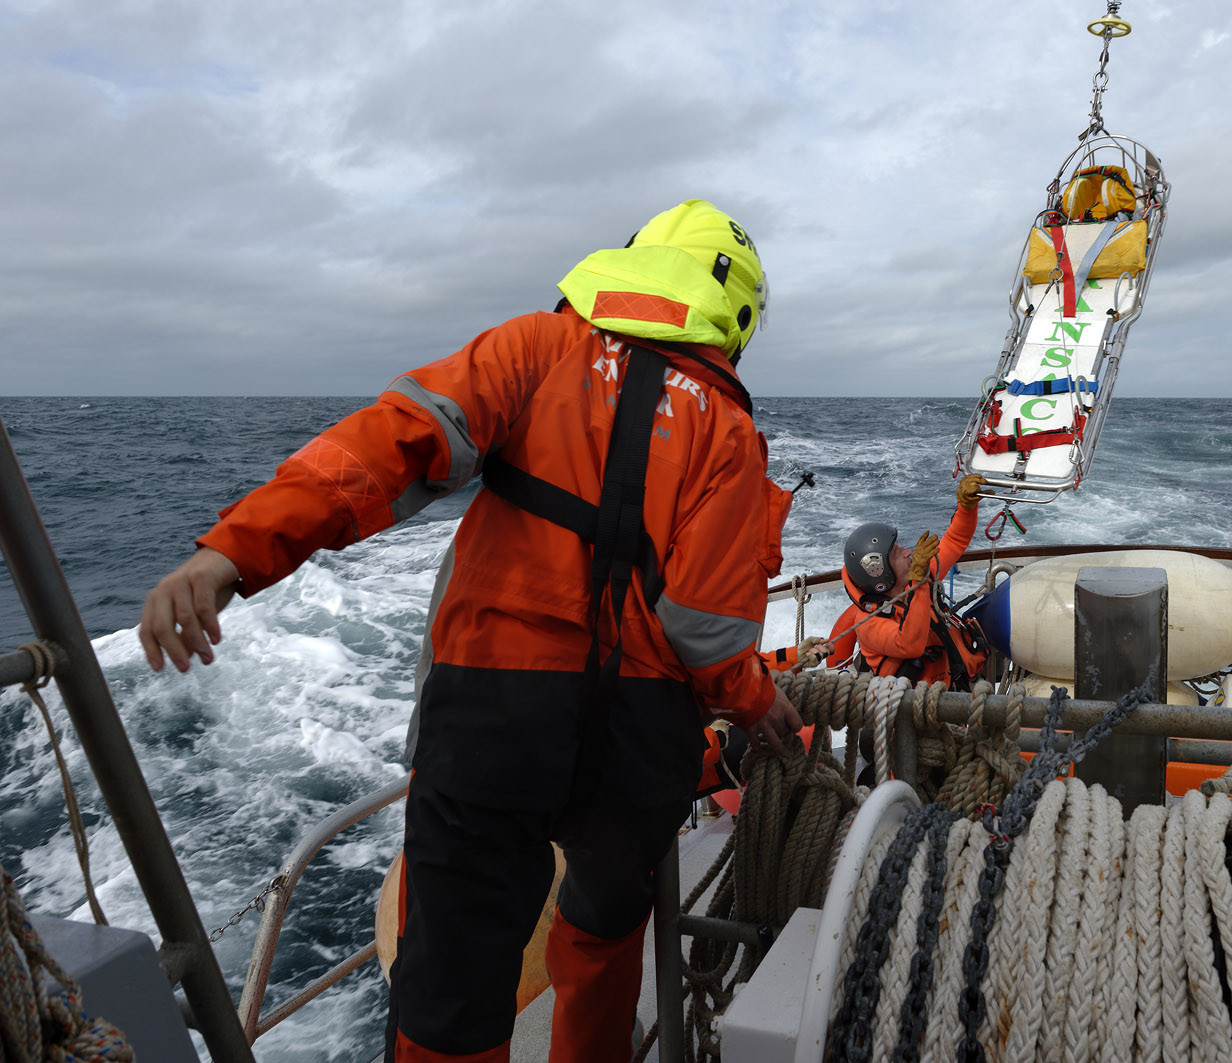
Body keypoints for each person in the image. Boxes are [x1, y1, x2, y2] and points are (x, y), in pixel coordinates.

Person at [138, 199, 802, 1063]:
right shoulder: (728, 430)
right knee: (602, 933)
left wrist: (236, 550)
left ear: (632, 264)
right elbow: (708, 633)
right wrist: (758, 705)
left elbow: (392, 445)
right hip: (638, 743)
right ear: (738, 315)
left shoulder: (536, 348)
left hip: (496, 713)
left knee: (451, 994)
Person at [836, 473, 989, 688]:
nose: (908, 553)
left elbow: (955, 540)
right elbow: (909, 644)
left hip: (953, 692)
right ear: (879, 573)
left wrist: (966, 507)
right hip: (911, 712)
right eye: (896, 554)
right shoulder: (869, 624)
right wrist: (920, 583)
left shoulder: (918, 577)